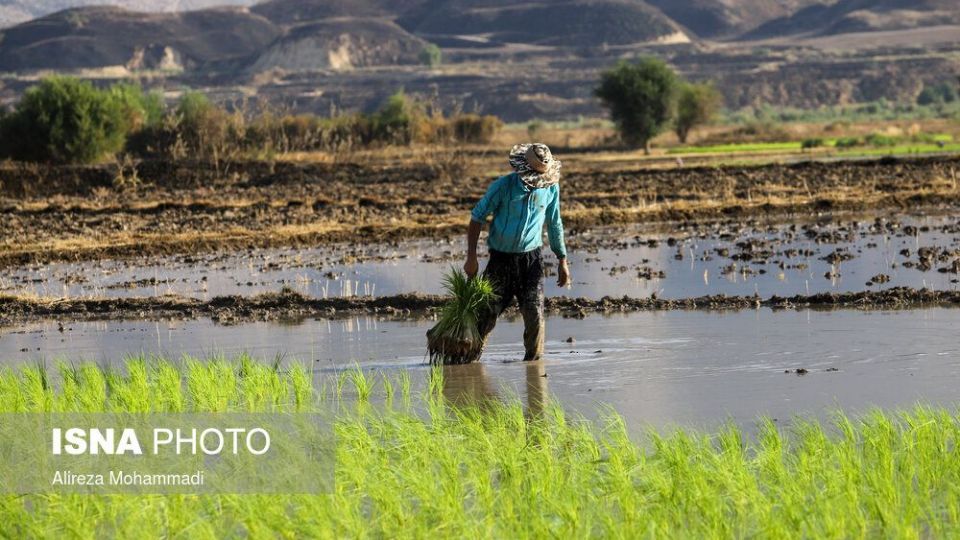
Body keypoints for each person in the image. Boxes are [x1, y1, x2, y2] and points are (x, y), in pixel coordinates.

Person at [464, 143, 570, 362]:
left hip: (530, 260)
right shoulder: (503, 186)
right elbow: (477, 217)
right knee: (485, 316)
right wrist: (471, 258)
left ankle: (534, 370)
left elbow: (554, 223)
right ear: (522, 169)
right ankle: (467, 361)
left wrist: (562, 259)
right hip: (500, 261)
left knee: (535, 315)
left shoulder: (550, 188)